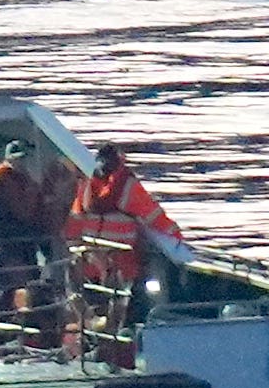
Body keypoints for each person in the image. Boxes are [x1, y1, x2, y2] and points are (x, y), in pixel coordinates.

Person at [65, 143, 187, 359]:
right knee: (119, 305)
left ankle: (93, 339)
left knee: (91, 302)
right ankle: (109, 345)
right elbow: (155, 217)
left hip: (91, 260)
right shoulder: (128, 187)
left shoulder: (86, 186)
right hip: (121, 262)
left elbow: (75, 222)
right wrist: (177, 239)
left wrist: (75, 249)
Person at [0, 146, 77, 313]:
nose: (21, 163)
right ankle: (8, 309)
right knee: (5, 280)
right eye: (18, 159)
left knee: (29, 283)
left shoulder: (30, 185)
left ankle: (29, 312)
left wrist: (45, 248)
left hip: (28, 247)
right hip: (4, 244)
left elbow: (39, 218)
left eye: (24, 159)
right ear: (9, 160)